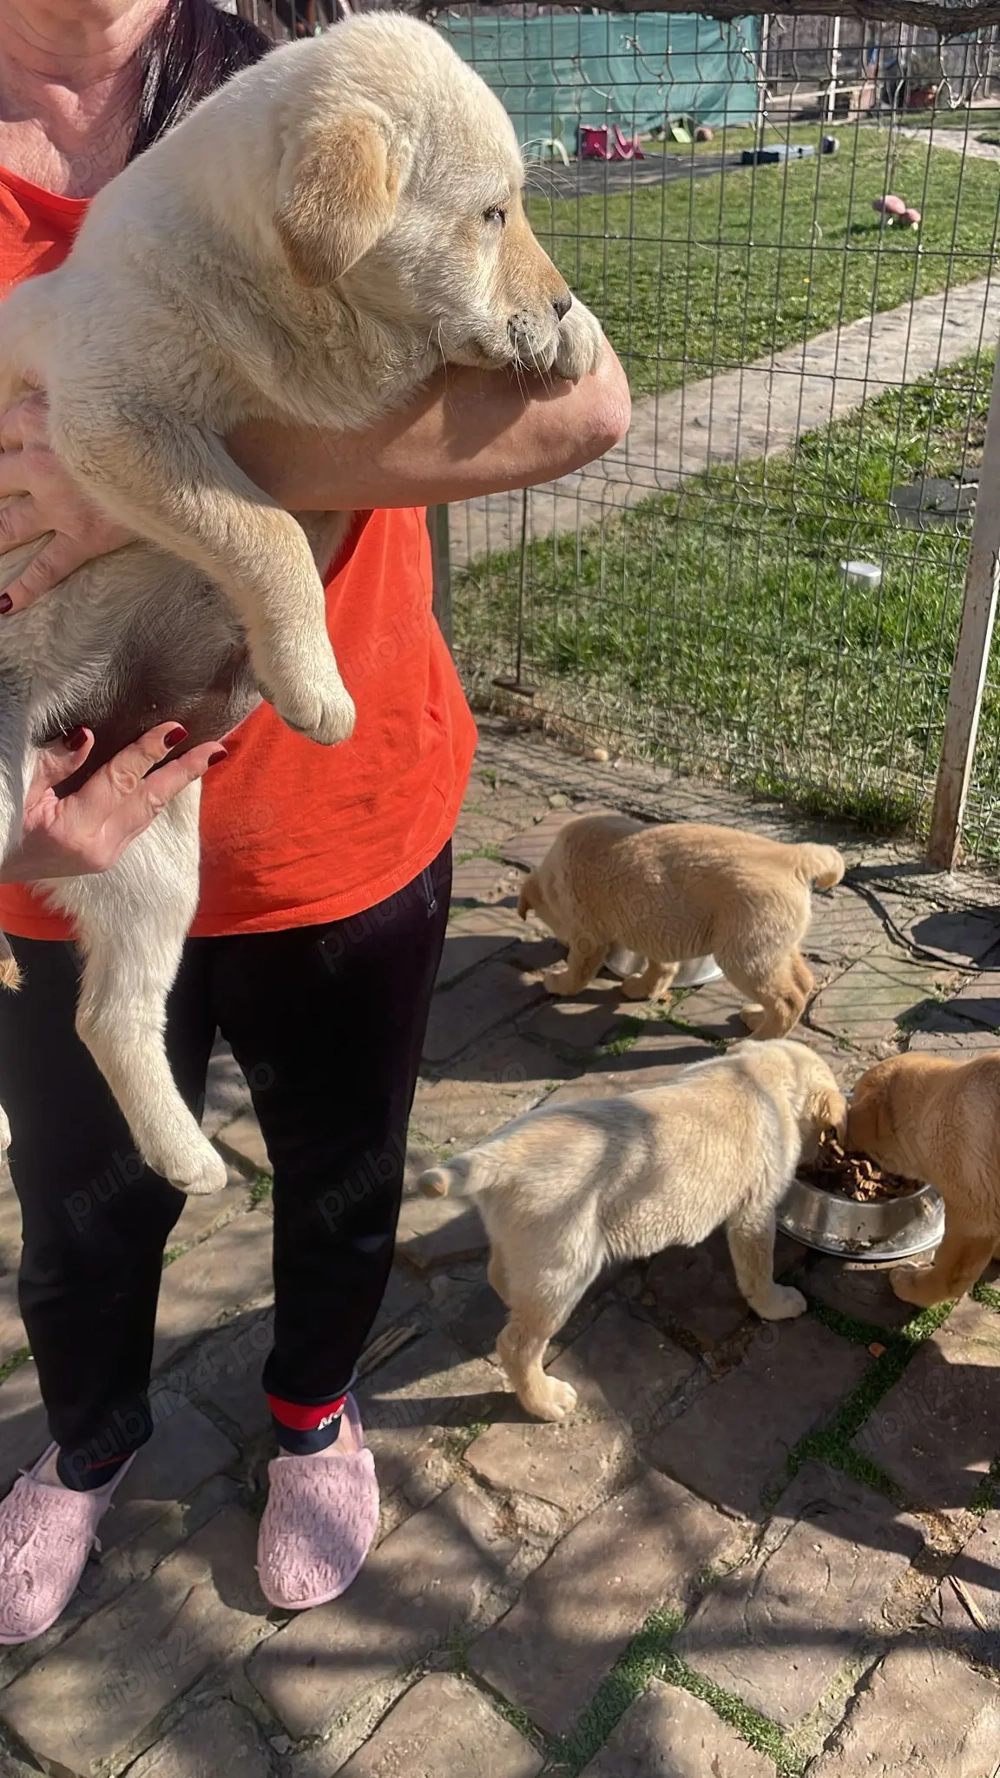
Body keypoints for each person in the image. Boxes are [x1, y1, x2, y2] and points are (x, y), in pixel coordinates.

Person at [0, 0, 629, 1644]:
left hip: (344, 797)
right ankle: (84, 1446)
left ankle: (311, 1415)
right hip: (60, 790)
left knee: (347, 1179)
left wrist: (121, 450)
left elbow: (574, 400)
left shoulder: (298, 73)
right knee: (80, 1209)